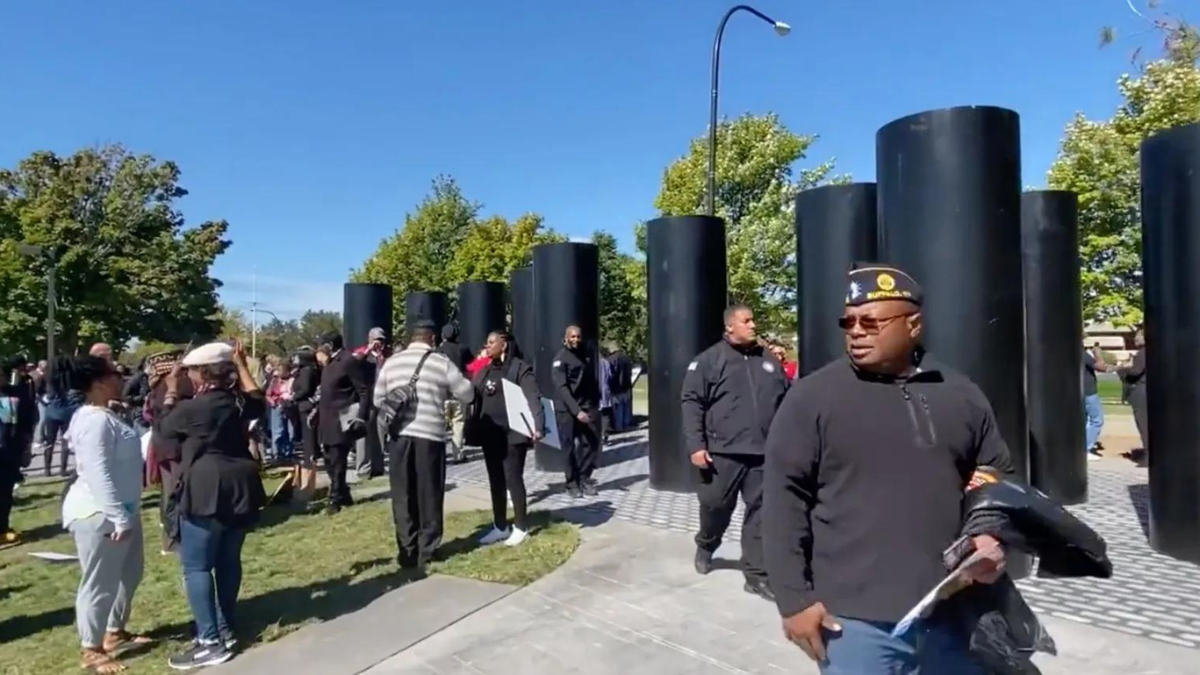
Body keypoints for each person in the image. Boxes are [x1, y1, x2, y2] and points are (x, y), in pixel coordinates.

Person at [762, 264, 1012, 673]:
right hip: (854, 624)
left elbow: (996, 471)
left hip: (955, 612)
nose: (856, 331)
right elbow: (781, 501)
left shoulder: (961, 393)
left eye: (871, 322)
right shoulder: (812, 398)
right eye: (849, 322)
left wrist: (990, 533)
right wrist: (793, 599)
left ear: (913, 325)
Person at [159, 341, 267, 670]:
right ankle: (224, 626)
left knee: (197, 567)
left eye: (191, 372)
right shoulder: (235, 402)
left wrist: (170, 391)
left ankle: (210, 641)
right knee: (228, 560)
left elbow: (163, 432)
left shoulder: (193, 408)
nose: (188, 376)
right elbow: (258, 402)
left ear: (202, 373)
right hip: (241, 484)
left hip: (207, 486)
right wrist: (243, 365)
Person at [680, 304, 788, 602]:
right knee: (715, 506)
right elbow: (691, 403)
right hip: (722, 453)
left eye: (753, 320)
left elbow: (785, 399)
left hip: (763, 455)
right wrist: (696, 446)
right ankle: (706, 543)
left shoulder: (768, 360)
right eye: (747, 320)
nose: (754, 325)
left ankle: (755, 576)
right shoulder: (709, 361)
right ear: (730, 326)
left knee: (761, 515)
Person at [59, 355, 151, 673]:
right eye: (115, 375)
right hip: (99, 513)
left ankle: (115, 631)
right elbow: (97, 473)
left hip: (122, 509)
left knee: (130, 573)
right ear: (99, 383)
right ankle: (91, 648)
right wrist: (118, 516)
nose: (121, 378)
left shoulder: (104, 415)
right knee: (99, 582)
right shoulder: (93, 420)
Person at [373, 320, 474, 571]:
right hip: (429, 436)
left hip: (399, 438)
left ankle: (406, 551)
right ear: (432, 338)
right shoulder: (441, 363)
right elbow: (467, 394)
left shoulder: (392, 362)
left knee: (402, 494)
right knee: (429, 493)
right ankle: (427, 550)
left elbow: (377, 399)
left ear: (411, 338)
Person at [472, 331, 542, 547]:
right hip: (490, 434)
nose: (488, 345)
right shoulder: (485, 369)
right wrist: (479, 361)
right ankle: (500, 526)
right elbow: (471, 388)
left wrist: (538, 425)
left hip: (513, 433)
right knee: (496, 480)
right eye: (487, 342)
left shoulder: (519, 367)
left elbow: (533, 396)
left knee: (513, 478)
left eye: (492, 343)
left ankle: (521, 527)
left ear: (504, 345)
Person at [316, 332, 371, 514]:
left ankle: (335, 500)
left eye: (323, 344)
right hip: (326, 419)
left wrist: (361, 416)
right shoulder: (329, 363)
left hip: (342, 419)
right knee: (329, 459)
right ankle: (344, 494)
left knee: (338, 461)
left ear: (331, 345)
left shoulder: (347, 361)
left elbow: (363, 390)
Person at [552, 325, 602, 498]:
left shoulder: (586, 355)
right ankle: (572, 483)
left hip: (588, 406)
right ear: (566, 338)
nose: (576, 340)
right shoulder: (560, 359)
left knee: (592, 443)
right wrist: (576, 411)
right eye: (572, 337)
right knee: (569, 448)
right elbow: (562, 388)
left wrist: (596, 403)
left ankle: (584, 478)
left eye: (578, 337)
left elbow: (591, 381)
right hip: (567, 409)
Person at [1, 357, 37, 547]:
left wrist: (26, 447)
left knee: (5, 493)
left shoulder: (15, 395)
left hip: (9, 452)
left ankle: (3, 529)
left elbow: (27, 423)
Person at [351, 327, 390, 479]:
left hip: (382, 398)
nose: (379, 343)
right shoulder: (362, 353)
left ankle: (378, 467)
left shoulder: (386, 355)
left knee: (380, 433)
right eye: (376, 340)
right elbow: (354, 363)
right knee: (364, 436)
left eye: (381, 340)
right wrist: (368, 350)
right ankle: (362, 468)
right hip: (366, 398)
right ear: (369, 339)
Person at [288, 347, 321, 502]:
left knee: (309, 435)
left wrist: (294, 396)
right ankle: (309, 459)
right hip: (301, 406)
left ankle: (311, 460)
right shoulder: (301, 371)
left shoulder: (308, 371)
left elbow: (307, 388)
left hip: (307, 406)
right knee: (305, 435)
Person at [43, 358, 86, 476]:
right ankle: (63, 468)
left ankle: (47, 469)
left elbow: (49, 396)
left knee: (50, 441)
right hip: (68, 412)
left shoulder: (51, 379)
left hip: (52, 412)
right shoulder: (72, 379)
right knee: (65, 441)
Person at [438, 324, 472, 463]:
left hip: (442, 394)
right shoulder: (463, 349)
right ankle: (458, 454)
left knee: (440, 425)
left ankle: (439, 455)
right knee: (458, 424)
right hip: (458, 393)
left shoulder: (437, 351)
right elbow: (471, 367)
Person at [1119, 328, 1148, 460]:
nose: (1135, 339)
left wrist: (1122, 369)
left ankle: (1148, 454)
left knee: (1143, 424)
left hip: (1141, 392)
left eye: (1138, 336)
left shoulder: (1142, 353)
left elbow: (1135, 372)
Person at [265, 360, 296, 463]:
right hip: (277, 407)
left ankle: (288, 452)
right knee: (278, 431)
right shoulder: (274, 381)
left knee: (290, 431)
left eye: (282, 370)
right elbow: (268, 394)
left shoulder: (293, 380)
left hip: (289, 407)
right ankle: (277, 453)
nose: (280, 372)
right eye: (279, 370)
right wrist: (273, 402)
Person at [1083, 344, 1108, 461]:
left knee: (1084, 420)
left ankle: (1081, 448)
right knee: (1096, 420)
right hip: (1089, 391)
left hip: (1078, 391)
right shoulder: (1084, 354)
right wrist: (1098, 354)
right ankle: (1086, 449)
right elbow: (1102, 367)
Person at [607, 345, 634, 433]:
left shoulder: (611, 359)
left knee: (618, 408)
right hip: (627, 385)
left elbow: (610, 374)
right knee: (626, 406)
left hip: (616, 387)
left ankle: (619, 427)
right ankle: (627, 425)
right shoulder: (627, 358)